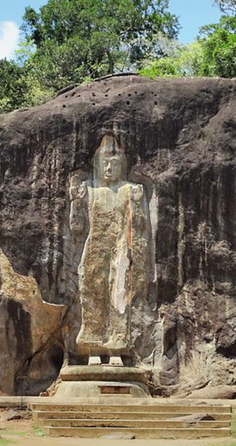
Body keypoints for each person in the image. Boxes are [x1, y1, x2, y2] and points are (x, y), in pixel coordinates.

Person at [70, 135, 154, 366]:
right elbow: (76, 227)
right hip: (95, 249)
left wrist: (139, 265)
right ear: (97, 163)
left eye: (114, 163)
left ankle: (117, 348)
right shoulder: (89, 190)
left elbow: (139, 228)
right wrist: (75, 202)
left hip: (121, 250)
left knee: (119, 297)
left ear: (122, 165)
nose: (109, 167)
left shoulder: (131, 190)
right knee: (92, 297)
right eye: (105, 162)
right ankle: (93, 347)